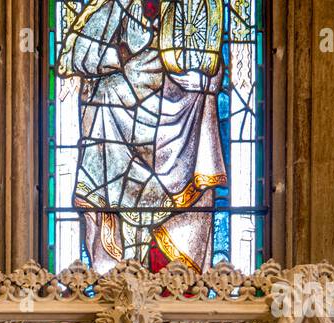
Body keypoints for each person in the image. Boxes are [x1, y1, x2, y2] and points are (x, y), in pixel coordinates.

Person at [56, 0, 226, 271]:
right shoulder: (116, 6)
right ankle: (118, 270)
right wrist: (120, 56)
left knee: (177, 224)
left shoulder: (192, 8)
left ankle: (172, 277)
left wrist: (203, 83)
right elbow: (77, 56)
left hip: (177, 138)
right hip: (116, 132)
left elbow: (210, 62)